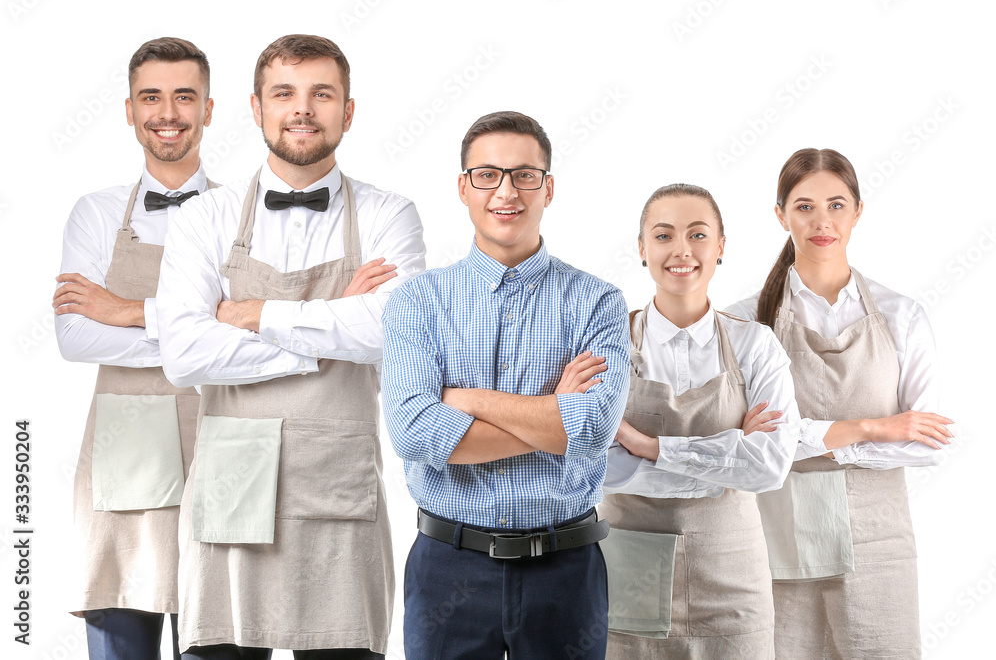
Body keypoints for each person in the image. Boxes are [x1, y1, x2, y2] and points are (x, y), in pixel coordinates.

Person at [156, 34, 426, 659]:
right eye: (284, 93)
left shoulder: (391, 214)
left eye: (321, 94)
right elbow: (185, 352)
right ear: (256, 108)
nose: (301, 109)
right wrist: (327, 333)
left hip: (338, 495)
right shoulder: (205, 217)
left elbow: (394, 331)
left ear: (347, 111)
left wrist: (254, 316)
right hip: (229, 489)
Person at [382, 111, 630, 659]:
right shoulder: (417, 301)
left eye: (524, 175)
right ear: (464, 188)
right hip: (448, 566)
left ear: (548, 188)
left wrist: (467, 402)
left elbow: (591, 429)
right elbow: (414, 434)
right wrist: (551, 415)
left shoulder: (597, 302)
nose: (506, 191)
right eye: (487, 175)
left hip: (566, 570)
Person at [726, 148, 954, 659]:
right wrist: (873, 429)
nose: (821, 221)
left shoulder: (903, 316)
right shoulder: (743, 323)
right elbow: (744, 446)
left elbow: (928, 443)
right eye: (804, 206)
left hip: (879, 544)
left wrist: (810, 441)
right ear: (780, 214)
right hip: (778, 543)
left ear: (858, 211)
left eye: (836, 204)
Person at [53, 36, 215, 660]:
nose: (167, 112)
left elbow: (253, 331)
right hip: (123, 450)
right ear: (128, 109)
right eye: (151, 96)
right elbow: (73, 337)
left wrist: (128, 315)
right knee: (119, 634)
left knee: (219, 636)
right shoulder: (93, 214)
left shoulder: (240, 212)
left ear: (208, 107)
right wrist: (193, 333)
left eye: (183, 96)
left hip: (223, 441)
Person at [600, 183, 800, 658]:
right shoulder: (606, 346)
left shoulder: (756, 346)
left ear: (721, 247)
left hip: (732, 577)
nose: (681, 251)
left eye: (698, 234)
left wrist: (650, 448)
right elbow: (592, 467)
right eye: (664, 236)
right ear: (643, 249)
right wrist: (727, 458)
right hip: (629, 569)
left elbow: (771, 466)